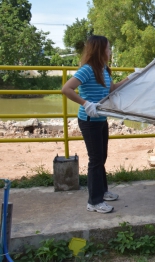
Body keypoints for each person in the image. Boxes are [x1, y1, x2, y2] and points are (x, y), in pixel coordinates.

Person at [62, 35, 130, 213]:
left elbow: (112, 89)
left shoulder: (104, 69)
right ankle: (94, 202)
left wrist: (131, 79)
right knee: (95, 160)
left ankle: (103, 191)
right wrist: (85, 103)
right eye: (108, 48)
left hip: (101, 119)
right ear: (99, 50)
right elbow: (66, 89)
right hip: (89, 120)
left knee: (102, 157)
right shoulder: (87, 70)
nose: (110, 51)